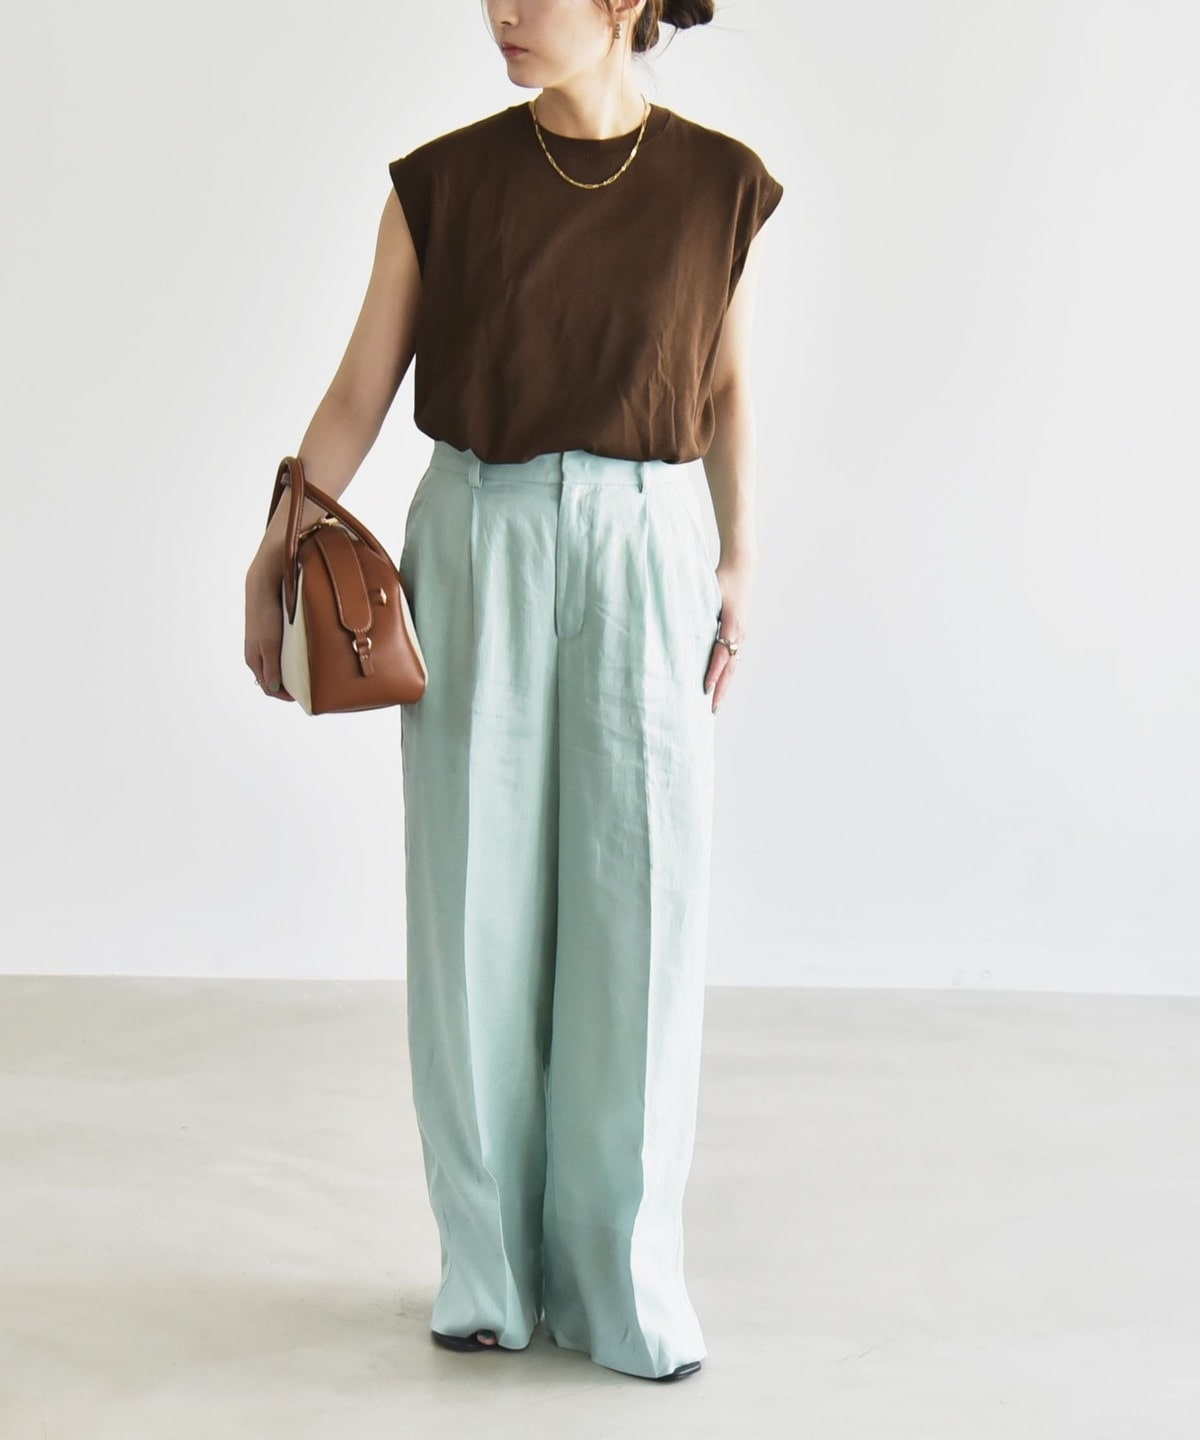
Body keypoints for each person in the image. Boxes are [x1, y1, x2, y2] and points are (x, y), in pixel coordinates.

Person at [244, 0, 782, 1384]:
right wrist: (281, 537)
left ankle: (625, 1282)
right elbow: (361, 391)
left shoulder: (716, 184)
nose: (500, 10)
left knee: (639, 907)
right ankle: (484, 1270)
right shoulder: (441, 185)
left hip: (648, 543)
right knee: (472, 906)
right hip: (478, 533)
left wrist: (739, 555)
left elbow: (724, 384)